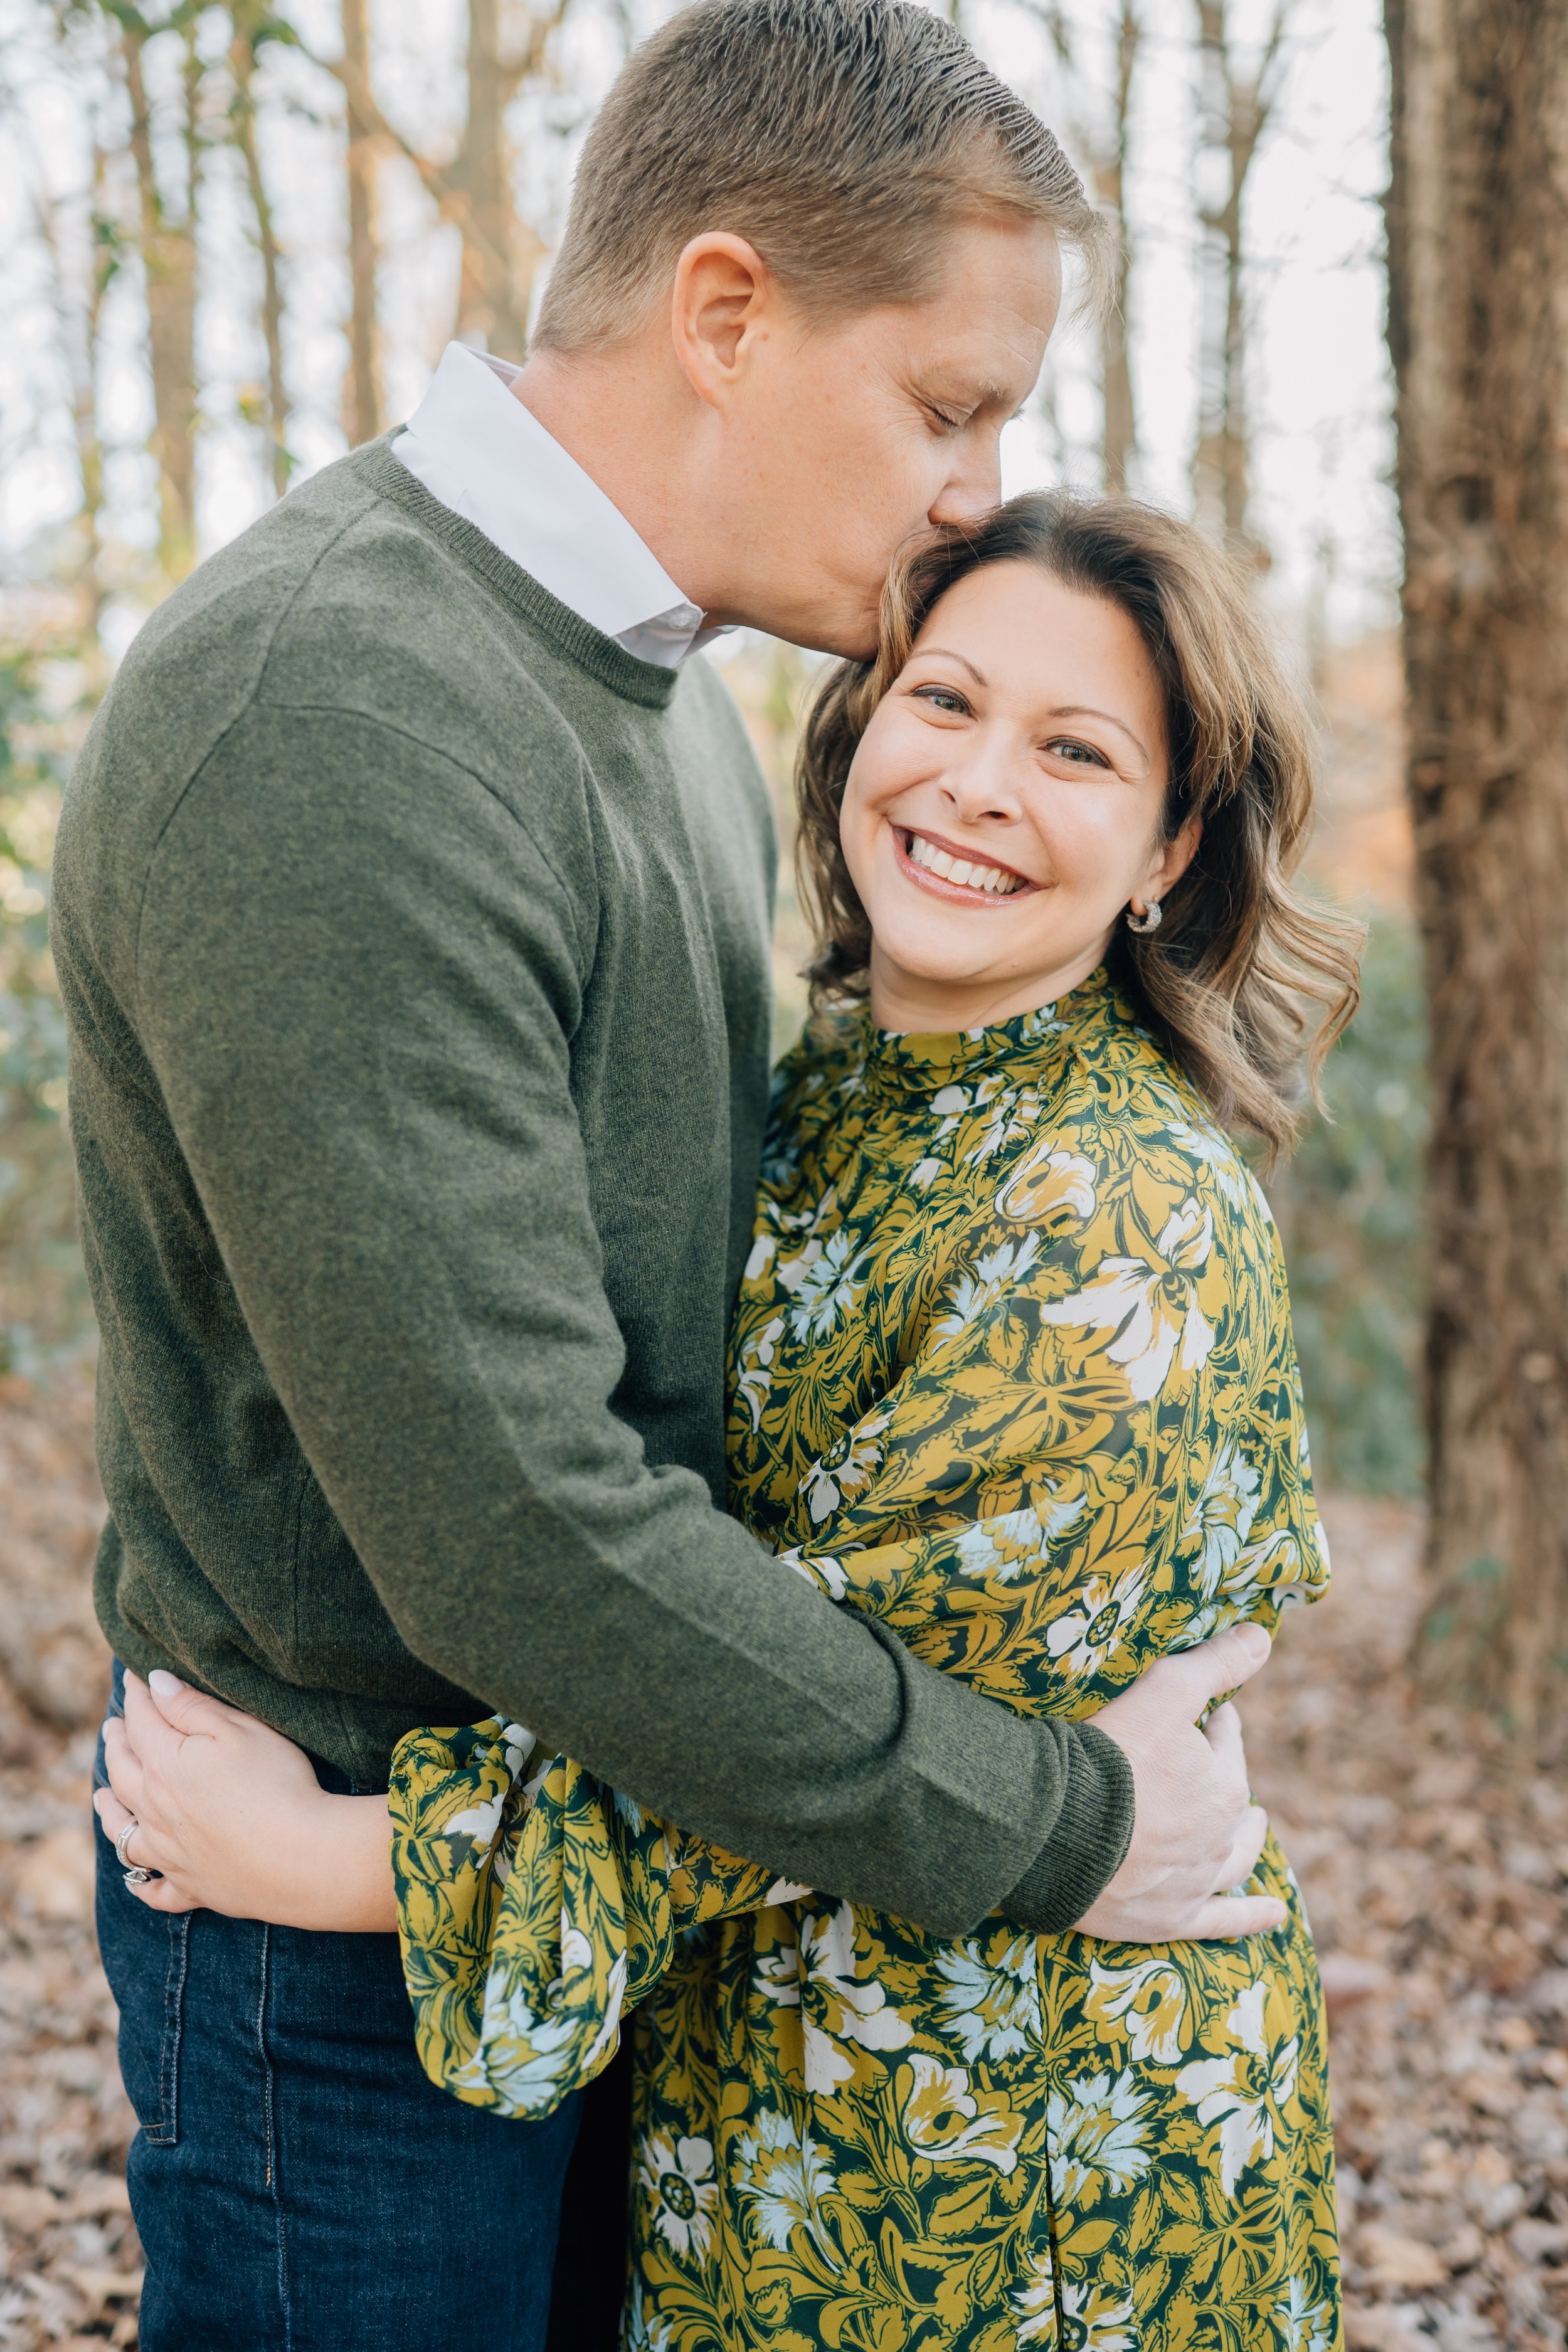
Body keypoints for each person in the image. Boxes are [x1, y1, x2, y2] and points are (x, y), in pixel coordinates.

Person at [58, 3, 1288, 2345]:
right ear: (724, 312)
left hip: (621, 1873)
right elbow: (523, 1515)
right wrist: (1057, 1823)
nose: (972, 488)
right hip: (360, 1979)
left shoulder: (653, 697)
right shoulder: (337, 709)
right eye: (949, 404)